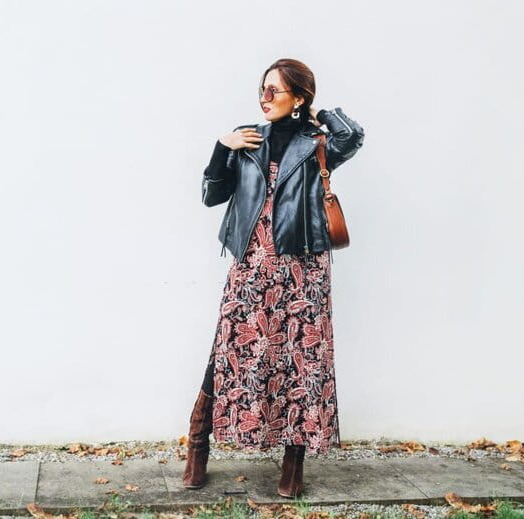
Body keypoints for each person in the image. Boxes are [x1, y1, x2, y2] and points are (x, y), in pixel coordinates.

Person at [182, 58, 365, 498]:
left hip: (303, 269)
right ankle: (197, 447)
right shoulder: (245, 139)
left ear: (298, 98)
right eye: (261, 89)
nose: (264, 98)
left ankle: (293, 464)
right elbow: (212, 194)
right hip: (251, 265)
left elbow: (353, 135)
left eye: (275, 91)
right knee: (227, 351)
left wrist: (318, 113)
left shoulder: (316, 142)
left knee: (302, 362)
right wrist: (221, 146)